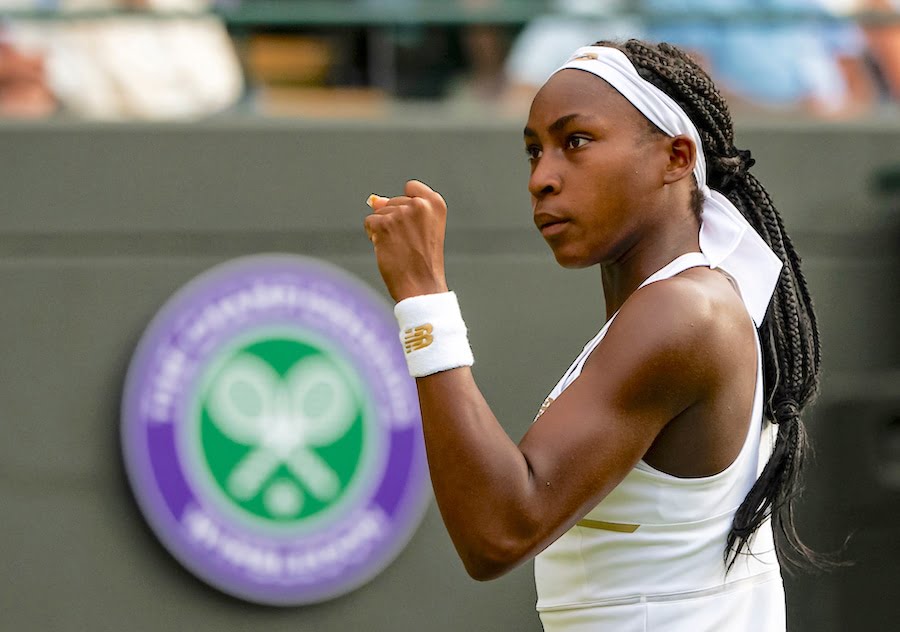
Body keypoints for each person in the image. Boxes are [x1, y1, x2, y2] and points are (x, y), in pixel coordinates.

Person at [364, 39, 821, 630]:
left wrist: (423, 300)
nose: (542, 179)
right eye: (534, 152)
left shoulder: (684, 313)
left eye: (575, 141)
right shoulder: (681, 304)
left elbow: (498, 532)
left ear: (676, 157)